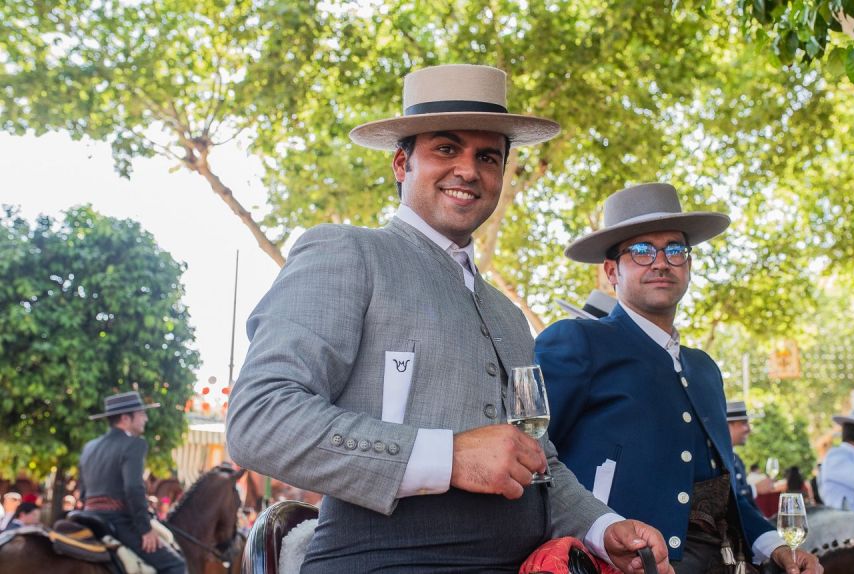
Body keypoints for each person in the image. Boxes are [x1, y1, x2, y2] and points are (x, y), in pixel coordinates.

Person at [226, 64, 669, 574]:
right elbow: (259, 418)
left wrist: (601, 527)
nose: (468, 170)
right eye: (445, 148)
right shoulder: (348, 252)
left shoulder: (507, 313)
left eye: (487, 157)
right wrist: (448, 456)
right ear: (401, 163)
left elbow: (540, 460)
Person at [535, 183, 822, 574]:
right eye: (640, 251)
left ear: (687, 264)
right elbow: (535, 461)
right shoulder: (578, 341)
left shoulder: (704, 368)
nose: (660, 262)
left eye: (674, 250)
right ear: (610, 272)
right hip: (629, 564)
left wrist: (774, 547)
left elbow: (727, 492)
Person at [79, 391, 187, 574]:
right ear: (125, 418)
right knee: (175, 566)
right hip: (118, 521)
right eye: (141, 413)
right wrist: (145, 530)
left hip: (87, 516)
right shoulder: (135, 444)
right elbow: (133, 488)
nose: (145, 418)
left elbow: (83, 491)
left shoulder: (89, 447)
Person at [726, 400, 778, 507]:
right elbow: (728, 498)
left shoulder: (737, 459)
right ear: (728, 425)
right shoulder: (718, 459)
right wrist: (755, 489)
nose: (749, 429)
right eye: (744, 423)